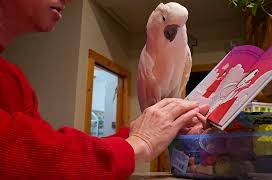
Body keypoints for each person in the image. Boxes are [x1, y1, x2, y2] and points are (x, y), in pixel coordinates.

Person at [0, 0, 209, 179]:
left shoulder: (14, 82)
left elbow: (49, 149)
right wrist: (136, 145)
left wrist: (141, 132)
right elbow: (26, 157)